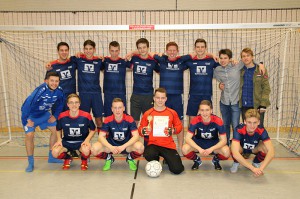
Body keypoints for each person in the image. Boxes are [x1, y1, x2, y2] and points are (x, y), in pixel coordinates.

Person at [215, 49, 266, 145]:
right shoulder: (217, 70)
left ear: (230, 59)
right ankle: (226, 144)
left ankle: (236, 144)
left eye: (225, 58)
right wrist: (219, 85)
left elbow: (249, 59)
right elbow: (220, 82)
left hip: (235, 102)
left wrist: (261, 64)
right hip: (224, 102)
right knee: (225, 124)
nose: (223, 60)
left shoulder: (237, 66)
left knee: (236, 125)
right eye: (221, 58)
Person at [21, 72, 64, 172]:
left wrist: (55, 116)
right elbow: (27, 104)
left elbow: (61, 104)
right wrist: (26, 120)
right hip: (30, 116)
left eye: (56, 81)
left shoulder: (60, 91)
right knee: (29, 135)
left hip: (44, 114)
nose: (54, 83)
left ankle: (52, 157)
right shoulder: (40, 90)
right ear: (46, 81)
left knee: (55, 130)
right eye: (52, 81)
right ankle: (30, 162)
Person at [139, 88, 184, 175]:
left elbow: (179, 127)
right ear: (154, 98)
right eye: (158, 98)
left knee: (177, 170)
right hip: (153, 144)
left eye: (162, 98)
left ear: (166, 99)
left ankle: (167, 159)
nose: (160, 100)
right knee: (148, 154)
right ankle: (155, 161)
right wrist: (143, 131)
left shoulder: (172, 112)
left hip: (168, 145)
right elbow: (140, 129)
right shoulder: (148, 113)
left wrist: (173, 130)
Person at [91, 98, 144, 171]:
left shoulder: (129, 119)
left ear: (123, 108)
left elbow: (136, 136)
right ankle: (109, 158)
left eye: (119, 108)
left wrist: (123, 146)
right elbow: (100, 137)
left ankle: (130, 158)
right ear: (112, 109)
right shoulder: (108, 119)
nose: (117, 110)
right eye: (115, 108)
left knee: (140, 147)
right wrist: (111, 147)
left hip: (126, 146)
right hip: (111, 147)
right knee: (94, 149)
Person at [52, 94, 96, 170]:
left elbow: (93, 129)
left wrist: (87, 140)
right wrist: (59, 140)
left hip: (81, 142)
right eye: (71, 102)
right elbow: (58, 129)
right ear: (67, 104)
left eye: (76, 102)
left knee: (86, 150)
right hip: (67, 142)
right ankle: (68, 158)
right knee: (55, 152)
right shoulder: (62, 116)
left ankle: (84, 160)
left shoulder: (86, 116)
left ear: (79, 104)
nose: (74, 105)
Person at [182, 100, 230, 170]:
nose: (204, 113)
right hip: (199, 144)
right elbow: (187, 138)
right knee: (184, 149)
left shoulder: (218, 120)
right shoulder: (195, 120)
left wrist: (211, 149)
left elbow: (224, 140)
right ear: (199, 111)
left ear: (211, 110)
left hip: (213, 144)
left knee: (226, 152)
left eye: (207, 110)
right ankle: (197, 160)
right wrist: (199, 149)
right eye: (202, 110)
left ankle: (216, 159)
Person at [230, 109, 274, 177]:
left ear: (259, 122)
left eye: (255, 122)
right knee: (233, 148)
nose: (252, 126)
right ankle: (236, 162)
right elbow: (235, 153)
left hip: (254, 148)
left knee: (265, 148)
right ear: (245, 121)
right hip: (242, 149)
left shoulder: (261, 130)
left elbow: (271, 152)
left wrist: (260, 169)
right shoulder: (239, 129)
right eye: (249, 122)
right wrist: (253, 169)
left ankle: (256, 162)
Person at [184, 39, 219, 123]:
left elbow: (225, 64)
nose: (200, 49)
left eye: (202, 47)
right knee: (192, 119)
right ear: (195, 48)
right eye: (198, 47)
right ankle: (191, 136)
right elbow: (179, 61)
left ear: (206, 48)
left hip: (206, 94)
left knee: (207, 118)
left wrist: (232, 60)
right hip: (193, 95)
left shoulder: (212, 61)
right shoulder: (190, 61)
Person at [75, 40, 104, 132]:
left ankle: (102, 143)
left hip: (96, 94)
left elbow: (110, 62)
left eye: (90, 49)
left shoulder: (99, 61)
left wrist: (102, 57)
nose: (88, 51)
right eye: (86, 49)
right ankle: (84, 143)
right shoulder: (78, 59)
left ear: (94, 49)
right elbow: (64, 60)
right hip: (83, 94)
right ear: (83, 49)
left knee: (99, 120)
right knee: (83, 120)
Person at [129, 38, 159, 126]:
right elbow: (127, 65)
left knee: (148, 122)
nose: (142, 50)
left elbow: (161, 71)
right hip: (136, 95)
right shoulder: (134, 58)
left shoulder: (153, 61)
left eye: (144, 47)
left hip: (148, 96)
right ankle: (133, 140)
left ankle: (147, 140)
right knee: (134, 122)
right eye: (140, 48)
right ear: (137, 49)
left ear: (148, 48)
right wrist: (131, 52)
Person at [239, 48, 271, 127]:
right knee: (247, 128)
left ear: (252, 57)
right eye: (243, 56)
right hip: (244, 105)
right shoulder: (240, 70)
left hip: (257, 105)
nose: (246, 58)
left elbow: (266, 88)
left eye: (248, 55)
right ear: (241, 58)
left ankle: (260, 140)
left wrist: (263, 104)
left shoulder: (261, 70)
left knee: (259, 128)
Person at [102, 41, 131, 117]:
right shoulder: (105, 61)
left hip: (120, 93)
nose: (114, 53)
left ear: (119, 51)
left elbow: (136, 65)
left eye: (116, 51)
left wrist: (132, 54)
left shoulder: (123, 61)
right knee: (108, 116)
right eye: (112, 51)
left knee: (122, 116)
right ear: (109, 50)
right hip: (108, 94)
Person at [46, 42, 77, 111]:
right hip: (57, 99)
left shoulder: (73, 62)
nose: (64, 52)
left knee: (70, 121)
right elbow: (47, 83)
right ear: (58, 51)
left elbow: (84, 56)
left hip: (71, 99)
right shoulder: (52, 66)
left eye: (66, 50)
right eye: (62, 50)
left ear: (68, 51)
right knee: (58, 120)